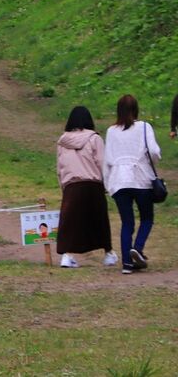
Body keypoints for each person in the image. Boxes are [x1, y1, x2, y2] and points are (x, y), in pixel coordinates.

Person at [104, 95, 162, 274]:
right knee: (147, 218)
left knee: (127, 222)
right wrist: (153, 160)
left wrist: (107, 183)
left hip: (119, 180)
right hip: (141, 179)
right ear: (136, 109)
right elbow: (154, 151)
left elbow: (107, 159)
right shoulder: (144, 127)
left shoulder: (111, 131)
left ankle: (127, 264)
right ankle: (137, 248)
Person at [56, 106, 115, 269]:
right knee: (99, 220)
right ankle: (108, 254)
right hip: (92, 184)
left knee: (70, 222)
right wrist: (107, 184)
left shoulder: (63, 141)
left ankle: (67, 256)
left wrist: (64, 186)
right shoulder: (94, 138)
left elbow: (60, 167)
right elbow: (102, 162)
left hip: (71, 185)